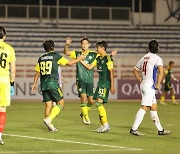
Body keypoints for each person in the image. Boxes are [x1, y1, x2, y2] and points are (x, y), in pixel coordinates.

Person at [32, 40, 85, 132]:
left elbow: (37, 72)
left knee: (48, 105)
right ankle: (49, 120)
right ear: (53, 47)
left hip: (43, 84)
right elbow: (69, 63)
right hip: (53, 83)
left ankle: (50, 126)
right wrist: (79, 59)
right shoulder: (56, 56)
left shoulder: (41, 58)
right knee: (61, 104)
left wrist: (34, 83)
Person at [64, 37, 117, 125]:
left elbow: (103, 57)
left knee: (91, 101)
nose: (84, 45)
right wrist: (67, 44)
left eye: (86, 43)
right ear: (81, 45)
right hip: (80, 79)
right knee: (83, 98)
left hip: (90, 81)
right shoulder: (77, 53)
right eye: (83, 43)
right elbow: (66, 52)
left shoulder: (93, 54)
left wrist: (110, 55)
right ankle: (86, 117)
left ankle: (83, 114)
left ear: (89, 45)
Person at [130, 40, 171, 136]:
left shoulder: (144, 57)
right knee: (144, 107)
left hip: (144, 83)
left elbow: (135, 70)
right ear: (157, 47)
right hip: (149, 86)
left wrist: (140, 79)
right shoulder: (157, 58)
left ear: (148, 48)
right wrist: (158, 84)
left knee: (154, 107)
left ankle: (160, 130)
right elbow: (161, 73)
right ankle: (134, 129)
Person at [81, 41, 115, 133]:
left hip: (105, 84)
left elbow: (111, 72)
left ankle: (106, 125)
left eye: (98, 48)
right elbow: (89, 66)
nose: (96, 49)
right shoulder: (98, 58)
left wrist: (112, 86)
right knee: (99, 104)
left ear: (103, 48)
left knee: (99, 103)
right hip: (100, 83)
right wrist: (80, 60)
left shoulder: (108, 59)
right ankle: (102, 125)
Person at [0, 26, 16, 145]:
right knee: (2, 109)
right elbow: (13, 69)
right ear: (4, 36)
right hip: (4, 80)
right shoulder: (9, 49)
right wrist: (12, 83)